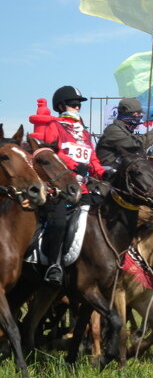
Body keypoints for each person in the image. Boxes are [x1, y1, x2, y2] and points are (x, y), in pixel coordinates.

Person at [41, 86, 106, 285]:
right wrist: (75, 166)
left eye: (79, 105)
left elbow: (92, 158)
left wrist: (104, 172)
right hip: (61, 189)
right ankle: (54, 264)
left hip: (84, 188)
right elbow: (50, 155)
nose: (77, 107)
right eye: (73, 104)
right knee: (60, 222)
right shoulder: (54, 126)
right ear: (61, 106)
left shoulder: (84, 133)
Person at [96, 98, 153, 167]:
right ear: (127, 112)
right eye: (138, 113)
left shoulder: (126, 131)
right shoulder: (114, 131)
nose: (139, 116)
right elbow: (137, 144)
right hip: (107, 176)